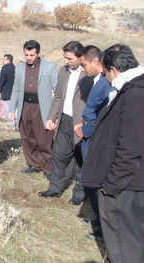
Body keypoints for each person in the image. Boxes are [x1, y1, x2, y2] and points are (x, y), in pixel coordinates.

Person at [81, 44, 144, 263]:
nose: (106, 78)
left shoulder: (136, 95)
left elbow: (131, 148)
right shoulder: (132, 89)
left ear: (114, 70)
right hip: (127, 182)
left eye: (105, 73)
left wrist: (111, 185)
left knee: (123, 242)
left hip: (125, 186)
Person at [38, 41, 93, 205]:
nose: (66, 61)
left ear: (79, 57)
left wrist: (87, 124)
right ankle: (54, 188)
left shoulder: (89, 75)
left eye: (69, 58)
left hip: (81, 123)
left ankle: (79, 193)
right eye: (65, 58)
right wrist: (51, 117)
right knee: (59, 155)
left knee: (81, 160)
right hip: (64, 120)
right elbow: (58, 97)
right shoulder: (63, 71)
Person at [73, 45, 111, 240]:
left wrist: (84, 129)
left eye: (84, 64)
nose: (82, 69)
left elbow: (104, 117)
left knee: (96, 182)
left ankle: (105, 229)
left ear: (96, 62)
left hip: (95, 138)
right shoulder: (97, 80)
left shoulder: (106, 83)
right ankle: (99, 220)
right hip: (89, 134)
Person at [8, 40, 58, 177]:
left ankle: (47, 167)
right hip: (25, 106)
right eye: (26, 55)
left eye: (31, 55)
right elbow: (15, 90)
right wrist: (12, 109)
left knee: (44, 138)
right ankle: (33, 164)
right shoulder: (19, 68)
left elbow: (57, 90)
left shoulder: (50, 67)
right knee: (27, 137)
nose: (28, 58)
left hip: (42, 107)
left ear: (38, 53)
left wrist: (55, 113)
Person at [0, 54, 15, 125]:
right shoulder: (16, 68)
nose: (2, 61)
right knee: (14, 108)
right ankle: (15, 122)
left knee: (7, 108)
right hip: (15, 92)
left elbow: (1, 81)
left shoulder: (5, 69)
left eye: (4, 59)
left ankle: (11, 122)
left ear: (8, 60)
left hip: (6, 92)